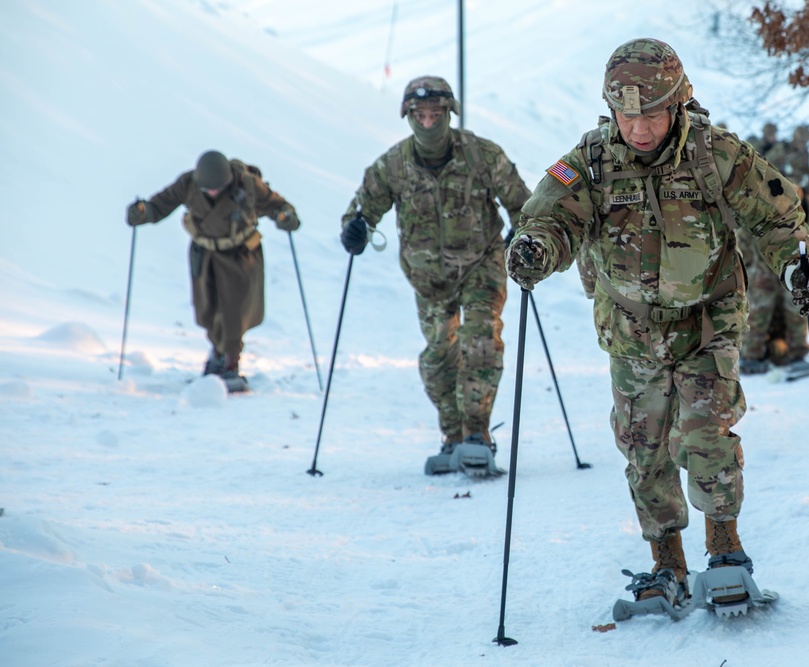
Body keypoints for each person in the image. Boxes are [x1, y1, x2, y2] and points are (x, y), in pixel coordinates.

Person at [505, 38, 809, 612]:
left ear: (677, 105)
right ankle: (665, 565)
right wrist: (534, 249)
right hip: (630, 329)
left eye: (651, 113)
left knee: (705, 435)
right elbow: (550, 218)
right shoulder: (590, 161)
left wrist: (798, 263)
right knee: (643, 448)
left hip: (708, 320)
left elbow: (777, 218)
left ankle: (726, 554)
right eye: (627, 114)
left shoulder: (717, 154)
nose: (640, 127)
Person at [339, 75, 531, 476]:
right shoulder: (392, 165)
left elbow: (521, 201)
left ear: (449, 114)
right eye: (419, 116)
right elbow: (360, 211)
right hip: (428, 278)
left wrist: (523, 233)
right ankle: (453, 437)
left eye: (435, 115)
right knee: (439, 357)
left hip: (483, 264)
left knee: (480, 341)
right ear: (408, 117)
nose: (427, 123)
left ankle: (477, 435)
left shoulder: (481, 154)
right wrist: (354, 231)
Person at [126, 150, 300, 393]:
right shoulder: (188, 184)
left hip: (239, 255)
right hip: (204, 254)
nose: (213, 192)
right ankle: (217, 355)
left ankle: (231, 364)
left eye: (218, 188)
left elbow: (277, 205)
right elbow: (160, 205)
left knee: (234, 312)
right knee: (208, 310)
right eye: (208, 188)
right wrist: (142, 212)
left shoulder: (247, 183)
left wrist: (285, 216)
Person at [738, 181, 809, 373]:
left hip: (796, 266)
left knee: (798, 302)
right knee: (759, 302)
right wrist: (747, 270)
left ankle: (796, 354)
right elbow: (743, 241)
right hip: (762, 266)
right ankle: (752, 355)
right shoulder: (760, 203)